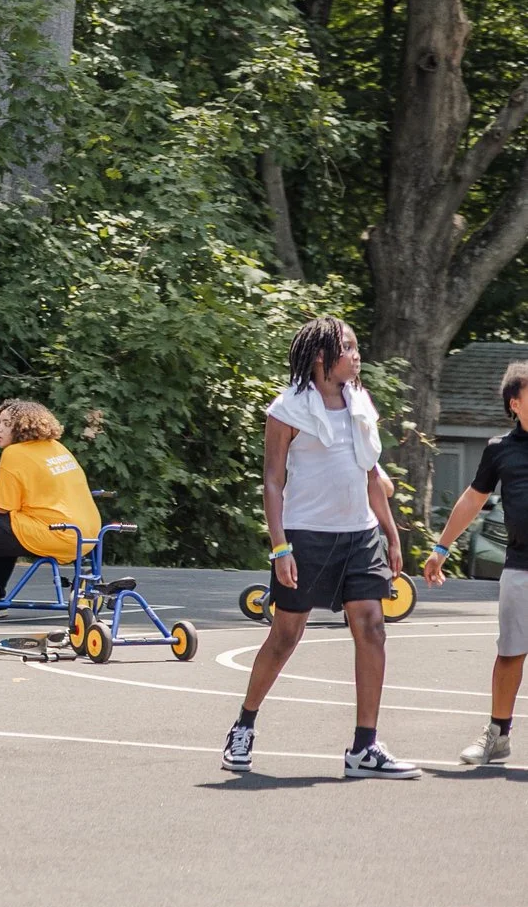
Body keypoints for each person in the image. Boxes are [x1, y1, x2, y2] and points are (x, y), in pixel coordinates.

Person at [224, 317, 416, 779]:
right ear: (320, 358)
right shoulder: (287, 409)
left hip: (359, 534)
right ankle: (244, 724)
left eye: (355, 347)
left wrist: (390, 533)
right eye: (348, 349)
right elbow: (272, 480)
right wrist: (279, 547)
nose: (356, 356)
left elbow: (371, 473)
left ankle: (364, 748)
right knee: (286, 636)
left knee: (372, 628)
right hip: (305, 536)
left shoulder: (360, 403)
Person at [425, 359, 528, 767]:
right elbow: (472, 500)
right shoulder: (500, 450)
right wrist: (441, 549)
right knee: (509, 654)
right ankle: (497, 735)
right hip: (520, 567)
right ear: (515, 403)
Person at [0, 400, 99, 621]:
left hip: (56, 534)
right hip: (87, 536)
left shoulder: (15, 453)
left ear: (23, 426)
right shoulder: (57, 447)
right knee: (2, 526)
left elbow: (0, 508)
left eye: (7, 423)